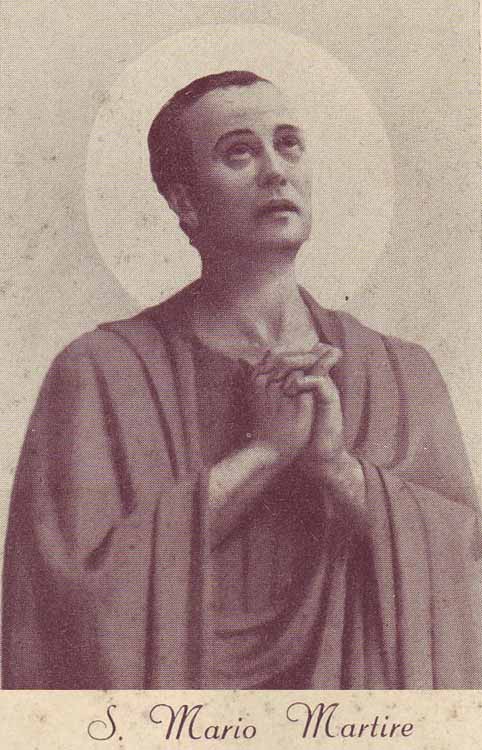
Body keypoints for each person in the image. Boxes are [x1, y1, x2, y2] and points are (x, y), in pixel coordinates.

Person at [2, 70, 481, 689]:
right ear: (185, 202)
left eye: (289, 145)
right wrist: (266, 453)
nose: (276, 172)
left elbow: (466, 567)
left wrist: (335, 467)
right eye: (239, 153)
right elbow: (64, 601)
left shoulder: (399, 373)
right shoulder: (101, 373)